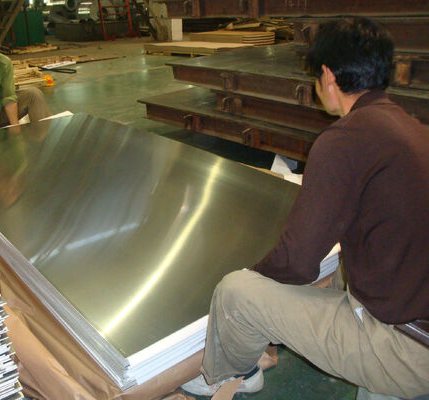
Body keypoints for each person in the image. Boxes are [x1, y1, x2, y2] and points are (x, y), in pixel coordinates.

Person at [181, 17, 429, 399]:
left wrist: (257, 279)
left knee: (236, 293)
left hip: (406, 350)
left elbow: (296, 262)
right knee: (344, 271)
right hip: (418, 319)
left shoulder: (343, 140)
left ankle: (233, 374)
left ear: (328, 76)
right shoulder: (414, 129)